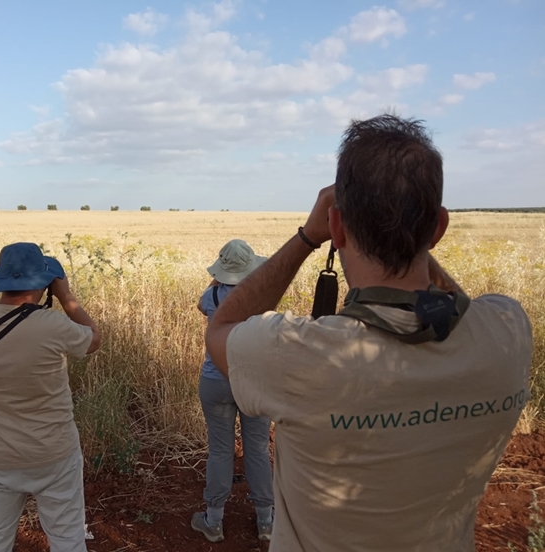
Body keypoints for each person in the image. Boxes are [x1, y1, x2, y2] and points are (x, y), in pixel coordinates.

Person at [204, 114, 532, 551]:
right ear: (438, 227)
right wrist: (411, 240)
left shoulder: (295, 355)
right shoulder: (508, 332)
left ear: (337, 227)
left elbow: (221, 325)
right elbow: (458, 310)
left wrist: (306, 238)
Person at [0, 242, 102, 552]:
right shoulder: (55, 325)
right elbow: (94, 338)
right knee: (67, 540)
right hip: (54, 454)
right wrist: (64, 295)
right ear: (42, 283)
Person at [191, 239, 275, 543]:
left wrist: (219, 277)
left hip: (215, 381)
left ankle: (214, 520)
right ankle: (266, 521)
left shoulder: (211, 295)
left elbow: (201, 306)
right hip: (253, 382)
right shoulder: (261, 298)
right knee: (257, 450)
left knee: (220, 449)